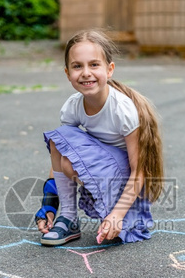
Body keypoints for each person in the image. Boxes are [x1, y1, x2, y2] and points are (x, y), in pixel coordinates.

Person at [35, 29, 164, 246]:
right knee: (60, 142)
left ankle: (115, 210)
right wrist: (49, 204)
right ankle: (68, 218)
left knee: (66, 151)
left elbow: (139, 169)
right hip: (102, 169)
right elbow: (61, 150)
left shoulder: (122, 109)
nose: (86, 72)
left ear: (110, 69)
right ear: (67, 73)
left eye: (94, 65)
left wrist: (117, 215)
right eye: (78, 66)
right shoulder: (73, 106)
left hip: (125, 179)